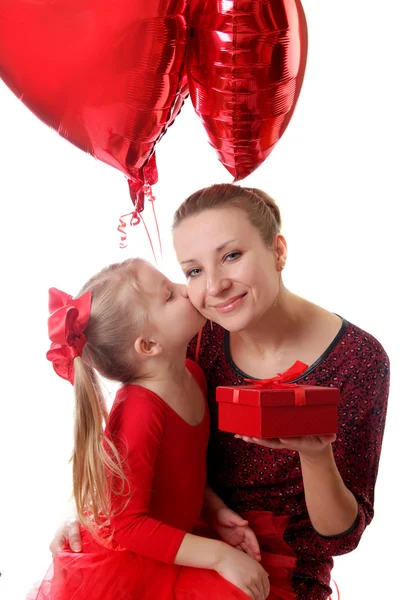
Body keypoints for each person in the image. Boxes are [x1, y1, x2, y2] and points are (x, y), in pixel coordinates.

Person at [51, 184, 390, 600]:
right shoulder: (194, 337)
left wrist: (315, 455)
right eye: (192, 271)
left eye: (232, 255)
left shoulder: (358, 359)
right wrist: (91, 522)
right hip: (183, 550)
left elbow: (340, 538)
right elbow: (136, 482)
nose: (213, 288)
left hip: (279, 565)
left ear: (278, 251)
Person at [30, 257, 296, 600]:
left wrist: (215, 511)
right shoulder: (139, 413)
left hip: (175, 537)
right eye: (170, 295)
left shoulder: (192, 374)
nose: (187, 291)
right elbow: (128, 526)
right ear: (148, 345)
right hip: (136, 560)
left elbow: (178, 472)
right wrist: (219, 556)